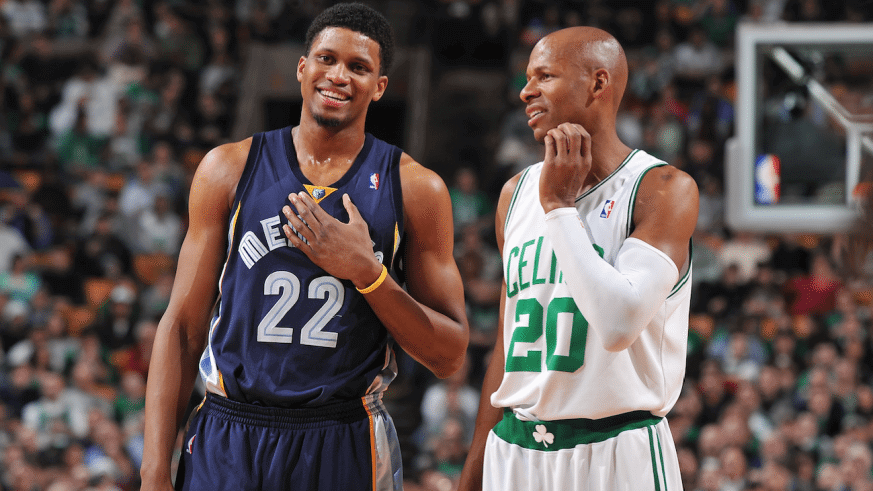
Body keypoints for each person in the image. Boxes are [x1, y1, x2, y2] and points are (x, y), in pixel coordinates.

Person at [140, 4, 469, 491]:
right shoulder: (227, 169)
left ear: (380, 86)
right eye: (327, 59)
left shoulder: (416, 190)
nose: (339, 75)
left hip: (344, 436)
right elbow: (184, 328)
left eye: (358, 67)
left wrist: (369, 274)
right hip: (229, 433)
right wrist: (152, 471)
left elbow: (449, 355)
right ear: (301, 68)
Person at [458, 26, 699, 491]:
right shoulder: (515, 193)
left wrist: (559, 209)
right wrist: (473, 473)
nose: (526, 91)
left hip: (615, 449)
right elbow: (508, 349)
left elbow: (617, 323)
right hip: (515, 450)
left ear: (598, 84)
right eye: (527, 78)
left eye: (544, 76)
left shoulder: (662, 189)